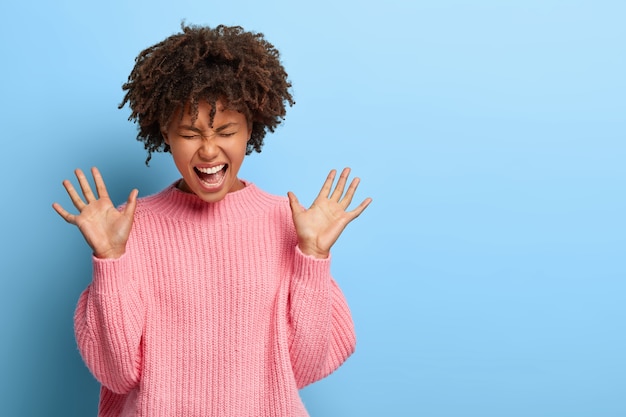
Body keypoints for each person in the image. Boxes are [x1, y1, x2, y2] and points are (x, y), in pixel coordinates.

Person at [52, 23, 371, 417]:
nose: (207, 150)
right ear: (165, 133)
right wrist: (111, 262)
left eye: (225, 131)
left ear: (250, 129)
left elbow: (303, 368)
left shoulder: (290, 225)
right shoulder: (126, 229)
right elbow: (118, 376)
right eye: (189, 133)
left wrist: (314, 258)